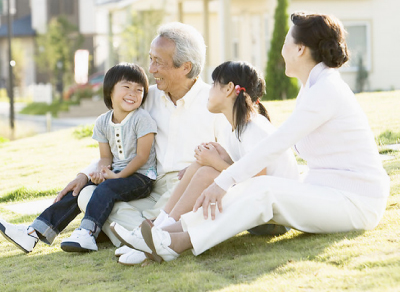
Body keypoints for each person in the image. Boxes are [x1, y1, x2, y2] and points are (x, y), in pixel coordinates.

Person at [133, 12, 390, 263]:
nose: (282, 49)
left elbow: (276, 144)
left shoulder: (326, 89)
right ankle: (166, 233)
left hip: (357, 202)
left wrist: (223, 181)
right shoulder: (312, 88)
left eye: (287, 42)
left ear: (300, 49)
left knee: (262, 188)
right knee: (258, 188)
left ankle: (177, 241)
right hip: (327, 193)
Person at [109, 61, 299, 262]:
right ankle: (157, 229)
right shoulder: (234, 127)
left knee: (208, 172)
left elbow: (257, 182)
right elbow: (241, 168)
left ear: (228, 89)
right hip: (255, 207)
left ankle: (158, 234)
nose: (210, 89)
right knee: (202, 166)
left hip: (274, 216)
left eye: (215, 83)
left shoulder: (253, 127)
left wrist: (215, 162)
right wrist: (210, 158)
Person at [77, 22, 228, 264]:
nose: (151, 69)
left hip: (184, 187)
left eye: (158, 62)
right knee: (87, 195)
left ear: (185, 67)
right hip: (146, 184)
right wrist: (86, 173)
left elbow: (230, 159)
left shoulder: (214, 102)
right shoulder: (146, 98)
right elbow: (117, 148)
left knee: (107, 209)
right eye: (150, 59)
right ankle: (148, 236)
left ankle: (137, 233)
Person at [0, 63, 157, 253]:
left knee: (106, 188)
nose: (133, 93)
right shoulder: (102, 122)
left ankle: (88, 233)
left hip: (141, 177)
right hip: (117, 175)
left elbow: (142, 156)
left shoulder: (142, 119)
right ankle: (33, 233)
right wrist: (101, 172)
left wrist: (117, 176)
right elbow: (105, 158)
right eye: (127, 87)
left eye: (139, 90)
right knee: (79, 188)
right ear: (110, 91)